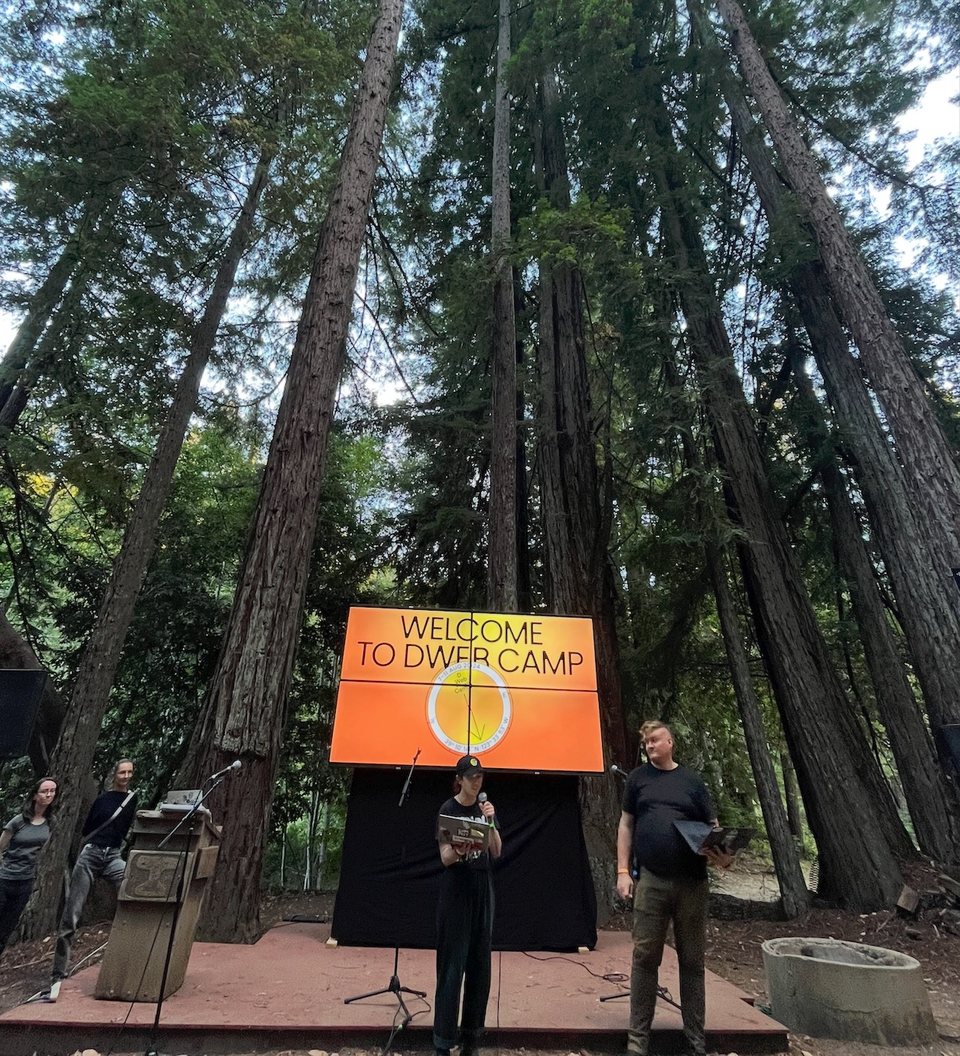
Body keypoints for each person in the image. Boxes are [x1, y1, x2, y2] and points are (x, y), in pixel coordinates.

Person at [616, 722, 730, 1056]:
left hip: (692, 883)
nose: (649, 745)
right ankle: (637, 1042)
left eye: (654, 740)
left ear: (670, 742)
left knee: (692, 961)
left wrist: (722, 854)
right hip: (651, 880)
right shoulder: (638, 779)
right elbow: (625, 824)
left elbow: (714, 828)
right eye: (645, 742)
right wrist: (624, 871)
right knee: (644, 957)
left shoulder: (692, 781)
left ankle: (695, 1042)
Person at [433, 754, 503, 1056]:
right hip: (457, 890)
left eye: (480, 777)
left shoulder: (484, 808)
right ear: (459, 779)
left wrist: (489, 821)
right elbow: (445, 857)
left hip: (482, 889)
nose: (477, 782)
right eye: (472, 777)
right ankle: (443, 1041)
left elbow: (497, 851)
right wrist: (463, 845)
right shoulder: (449, 809)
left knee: (480, 966)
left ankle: (472, 1037)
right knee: (452, 967)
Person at [48, 758, 137, 993]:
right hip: (92, 853)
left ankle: (130, 961)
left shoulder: (132, 799)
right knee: (72, 913)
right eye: (122, 772)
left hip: (113, 855)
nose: (126, 776)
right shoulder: (103, 799)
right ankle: (58, 972)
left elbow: (126, 827)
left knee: (133, 891)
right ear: (115, 774)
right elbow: (88, 828)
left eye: (129, 773)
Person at [0, 777, 58, 960]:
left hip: (25, 880)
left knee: (7, 926)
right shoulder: (18, 821)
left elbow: (42, 848)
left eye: (52, 791)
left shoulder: (51, 822)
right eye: (44, 791)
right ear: (35, 795)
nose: (48, 795)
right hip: (5, 878)